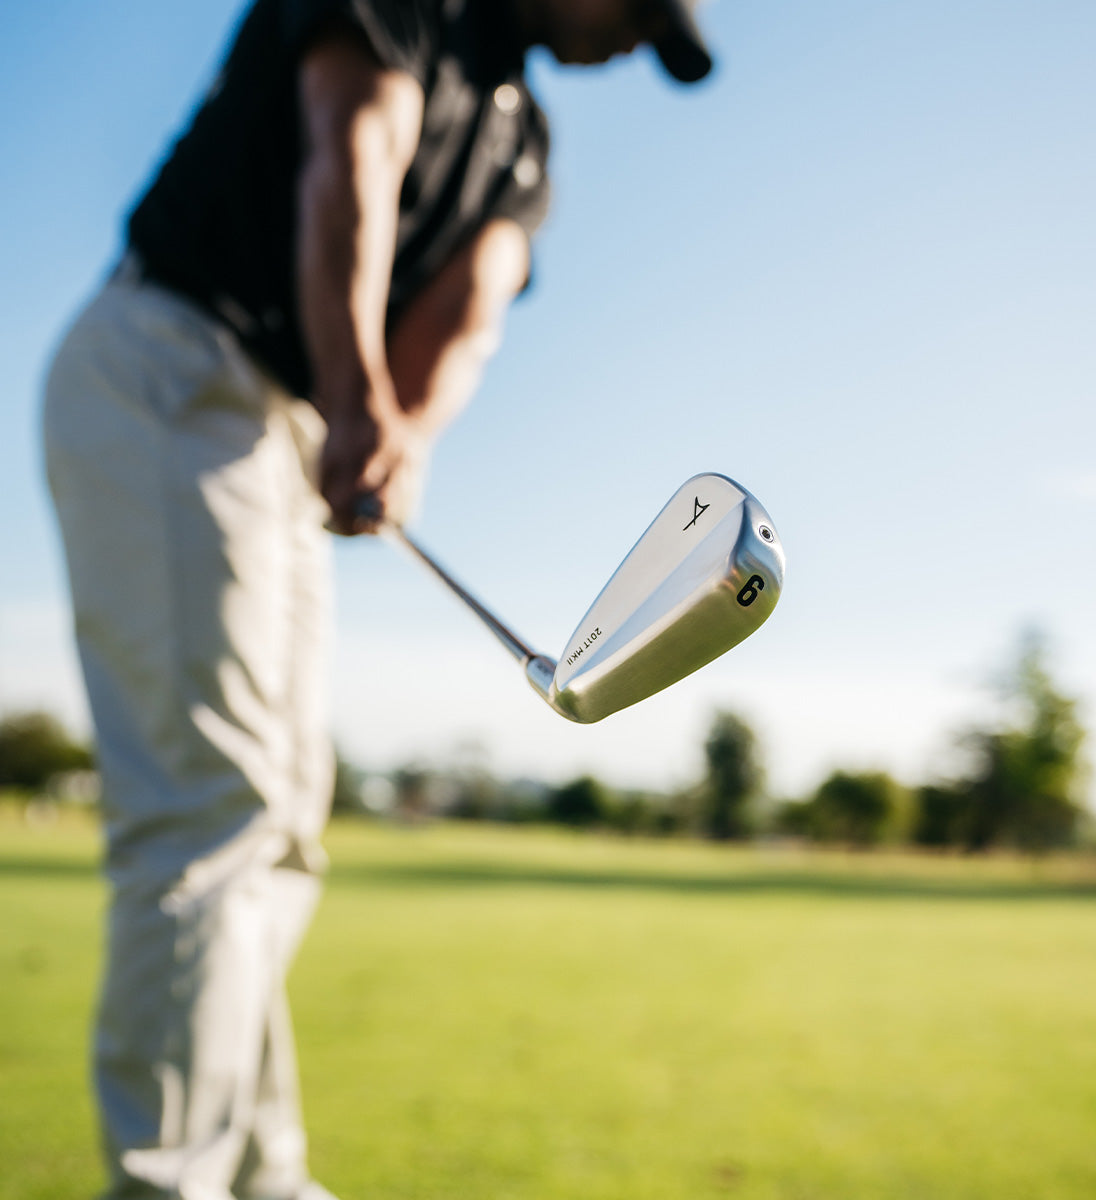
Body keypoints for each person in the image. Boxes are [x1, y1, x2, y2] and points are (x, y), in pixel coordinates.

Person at [42, 1, 712, 1197]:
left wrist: (394, 433)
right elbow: (353, 153)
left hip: (282, 426)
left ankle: (261, 1176)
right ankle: (170, 1183)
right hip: (171, 363)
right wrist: (356, 395)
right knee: (213, 813)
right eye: (638, 8)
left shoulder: (526, 146)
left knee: (286, 819)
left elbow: (467, 316)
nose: (628, 41)